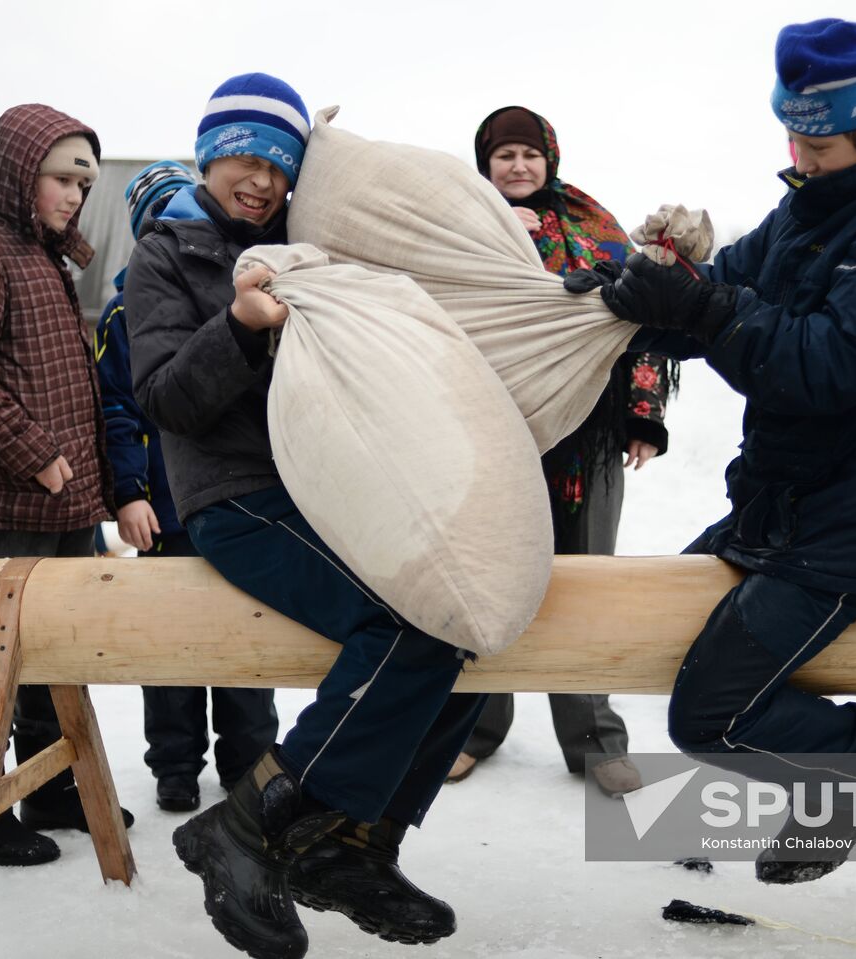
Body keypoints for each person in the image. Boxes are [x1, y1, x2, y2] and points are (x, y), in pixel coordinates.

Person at [566, 18, 856, 886]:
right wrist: (633, 288)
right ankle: (841, 784)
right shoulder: (813, 205)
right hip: (790, 509)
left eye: (816, 138)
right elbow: (724, 293)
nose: (797, 150)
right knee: (654, 629)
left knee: (708, 717)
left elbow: (827, 368)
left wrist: (702, 312)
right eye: (790, 130)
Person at [128, 73, 479, 958]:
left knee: (461, 620)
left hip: (333, 487)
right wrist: (241, 326)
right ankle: (242, 827)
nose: (260, 177)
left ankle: (354, 845)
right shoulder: (168, 253)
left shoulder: (311, 246)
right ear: (210, 154)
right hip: (238, 497)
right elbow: (164, 398)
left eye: (279, 165)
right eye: (244, 155)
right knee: (409, 628)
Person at [0, 103, 133, 868]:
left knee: (58, 646)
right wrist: (33, 452)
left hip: (68, 501)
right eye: (60, 177)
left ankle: (49, 786)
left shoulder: (46, 259)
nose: (75, 194)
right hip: (14, 495)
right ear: (19, 174)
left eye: (84, 179)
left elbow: (71, 383)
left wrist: (101, 489)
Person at [447, 105, 674, 797]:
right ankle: (474, 730)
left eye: (528, 155)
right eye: (503, 156)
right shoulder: (460, 221)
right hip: (494, 431)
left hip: (587, 440)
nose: (518, 167)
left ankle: (595, 740)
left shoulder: (592, 225)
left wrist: (642, 415)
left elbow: (639, 322)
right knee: (490, 582)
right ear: (484, 164)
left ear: (550, 158)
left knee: (583, 583)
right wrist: (496, 242)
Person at [98, 159, 278, 813]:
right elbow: (116, 408)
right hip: (165, 511)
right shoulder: (122, 313)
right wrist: (128, 491)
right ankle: (175, 765)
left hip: (237, 500)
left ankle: (250, 762)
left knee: (246, 637)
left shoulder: (238, 299)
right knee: (169, 648)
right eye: (160, 225)